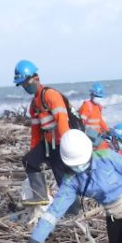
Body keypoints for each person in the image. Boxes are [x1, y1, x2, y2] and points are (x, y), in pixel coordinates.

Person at [13, 60, 74, 206]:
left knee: (63, 180)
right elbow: (35, 130)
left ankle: (73, 210)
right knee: (29, 161)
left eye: (26, 83)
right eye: (22, 85)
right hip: (48, 144)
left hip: (61, 143)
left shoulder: (50, 95)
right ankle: (40, 195)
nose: (25, 87)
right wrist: (33, 150)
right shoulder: (34, 104)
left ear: (36, 78)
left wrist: (67, 145)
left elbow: (62, 120)